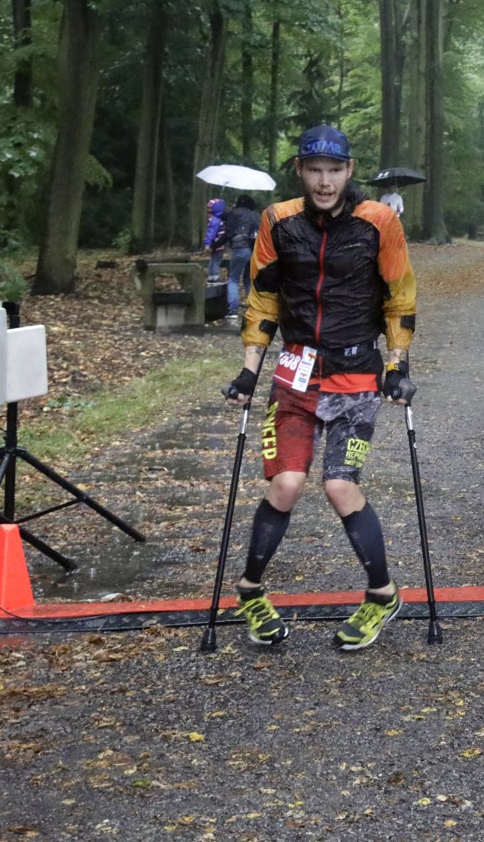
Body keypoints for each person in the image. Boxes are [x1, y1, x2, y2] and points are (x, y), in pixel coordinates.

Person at [222, 124, 418, 651]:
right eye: (314, 170)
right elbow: (263, 298)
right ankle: (249, 591)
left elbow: (399, 297)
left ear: (350, 170)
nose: (325, 181)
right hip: (296, 374)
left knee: (339, 486)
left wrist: (397, 366)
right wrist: (249, 369)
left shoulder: (379, 221)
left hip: (356, 377)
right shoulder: (277, 220)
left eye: (334, 170)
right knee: (285, 485)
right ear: (300, 171)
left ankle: (382, 595)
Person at [223, 193, 260, 318]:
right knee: (248, 279)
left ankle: (232, 310)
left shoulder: (234, 214)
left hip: (240, 249)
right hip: (254, 250)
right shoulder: (256, 215)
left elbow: (228, 234)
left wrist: (214, 245)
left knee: (233, 279)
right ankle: (253, 308)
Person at [203, 198, 227, 283]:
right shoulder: (215, 221)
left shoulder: (214, 219)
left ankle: (211, 276)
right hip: (217, 244)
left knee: (213, 260)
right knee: (217, 260)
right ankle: (215, 277)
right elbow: (210, 233)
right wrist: (207, 244)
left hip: (215, 244)